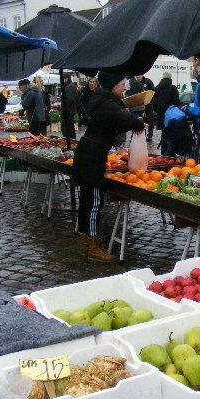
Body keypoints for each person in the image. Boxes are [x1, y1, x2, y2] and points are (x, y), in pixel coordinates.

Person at [73, 71, 145, 262]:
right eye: (122, 85)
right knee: (95, 202)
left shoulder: (101, 101)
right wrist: (137, 123)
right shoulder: (108, 103)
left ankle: (83, 242)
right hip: (93, 158)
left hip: (87, 153)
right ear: (113, 86)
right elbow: (126, 120)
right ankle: (94, 245)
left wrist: (131, 122)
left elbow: (113, 125)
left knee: (86, 201)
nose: (124, 89)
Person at [152, 72, 181, 155]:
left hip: (161, 116)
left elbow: (153, 103)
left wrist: (158, 111)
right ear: (170, 79)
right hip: (171, 116)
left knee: (164, 134)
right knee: (171, 136)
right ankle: (170, 154)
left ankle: (163, 154)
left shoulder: (157, 88)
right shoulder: (173, 88)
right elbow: (176, 103)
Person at [61, 73, 80, 140]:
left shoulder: (69, 87)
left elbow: (69, 100)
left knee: (67, 128)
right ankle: (71, 140)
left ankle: (70, 141)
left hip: (68, 112)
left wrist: (65, 109)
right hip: (70, 111)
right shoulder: (70, 86)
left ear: (66, 79)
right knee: (69, 128)